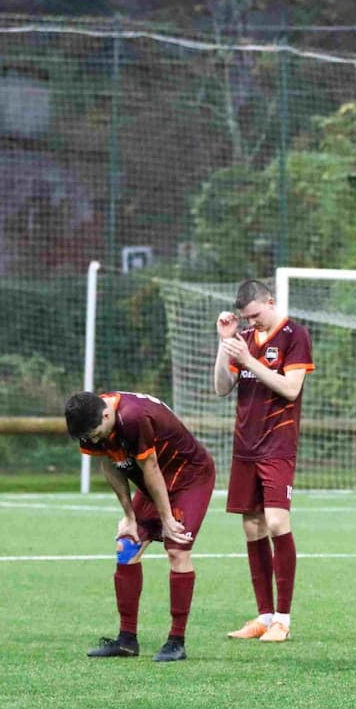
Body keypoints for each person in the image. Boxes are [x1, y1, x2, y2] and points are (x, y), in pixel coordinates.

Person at [66, 390, 216, 663]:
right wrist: (129, 517)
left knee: (177, 549)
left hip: (189, 478)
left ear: (107, 415)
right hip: (154, 483)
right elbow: (111, 464)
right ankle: (126, 640)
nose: (94, 440)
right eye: (89, 438)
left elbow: (151, 468)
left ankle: (176, 641)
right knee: (126, 546)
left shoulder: (133, 417)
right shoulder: (93, 419)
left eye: (96, 434)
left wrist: (168, 518)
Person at [214, 279, 314, 644]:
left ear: (270, 302)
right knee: (252, 528)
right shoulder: (244, 341)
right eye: (246, 318)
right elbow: (222, 388)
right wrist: (224, 345)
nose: (252, 323)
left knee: (275, 521)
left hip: (277, 444)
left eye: (255, 315)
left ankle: (283, 621)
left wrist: (248, 360)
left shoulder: (294, 335)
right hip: (245, 445)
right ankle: (264, 616)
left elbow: (291, 388)